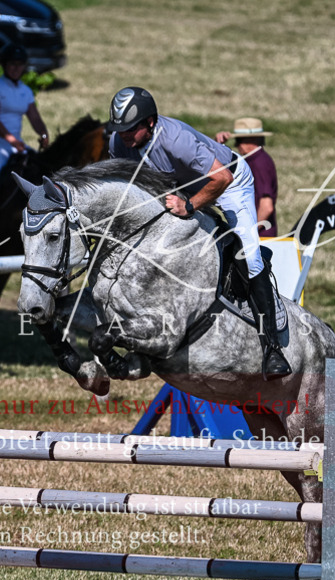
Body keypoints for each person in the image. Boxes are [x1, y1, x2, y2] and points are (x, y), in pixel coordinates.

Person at [106, 87, 291, 379]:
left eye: (130, 129)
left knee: (249, 257)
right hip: (183, 186)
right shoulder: (119, 143)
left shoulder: (176, 139)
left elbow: (223, 178)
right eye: (119, 129)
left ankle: (272, 349)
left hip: (230, 183)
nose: (123, 135)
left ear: (150, 122)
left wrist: (190, 206)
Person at [0, 44, 50, 238]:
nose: (16, 68)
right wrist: (10, 139)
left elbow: (34, 117)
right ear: (4, 65)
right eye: (12, 64)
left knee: (38, 172)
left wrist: (43, 133)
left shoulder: (25, 91)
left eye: (20, 64)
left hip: (17, 145)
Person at [216, 117, 278, 237]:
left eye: (239, 140)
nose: (237, 145)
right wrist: (218, 145)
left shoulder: (260, 163)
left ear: (252, 139)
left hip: (260, 237)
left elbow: (267, 206)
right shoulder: (253, 160)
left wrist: (249, 233)